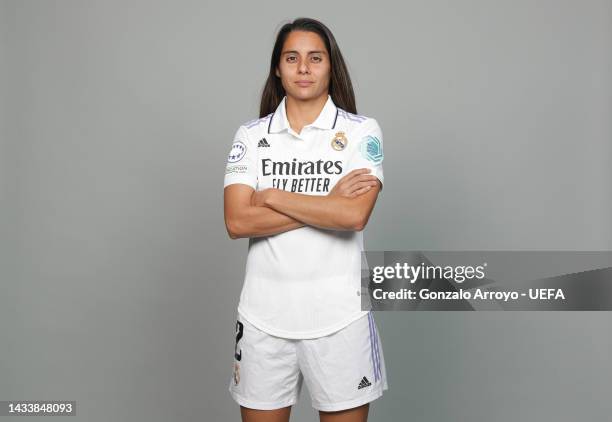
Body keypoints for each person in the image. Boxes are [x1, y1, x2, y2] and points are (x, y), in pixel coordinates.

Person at [223, 17, 388, 422]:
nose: (303, 68)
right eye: (291, 57)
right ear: (277, 68)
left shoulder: (360, 131)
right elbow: (237, 222)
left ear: (331, 66)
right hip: (263, 320)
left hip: (340, 319)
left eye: (315, 58)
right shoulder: (251, 136)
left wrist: (276, 198)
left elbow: (352, 215)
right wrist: (324, 203)